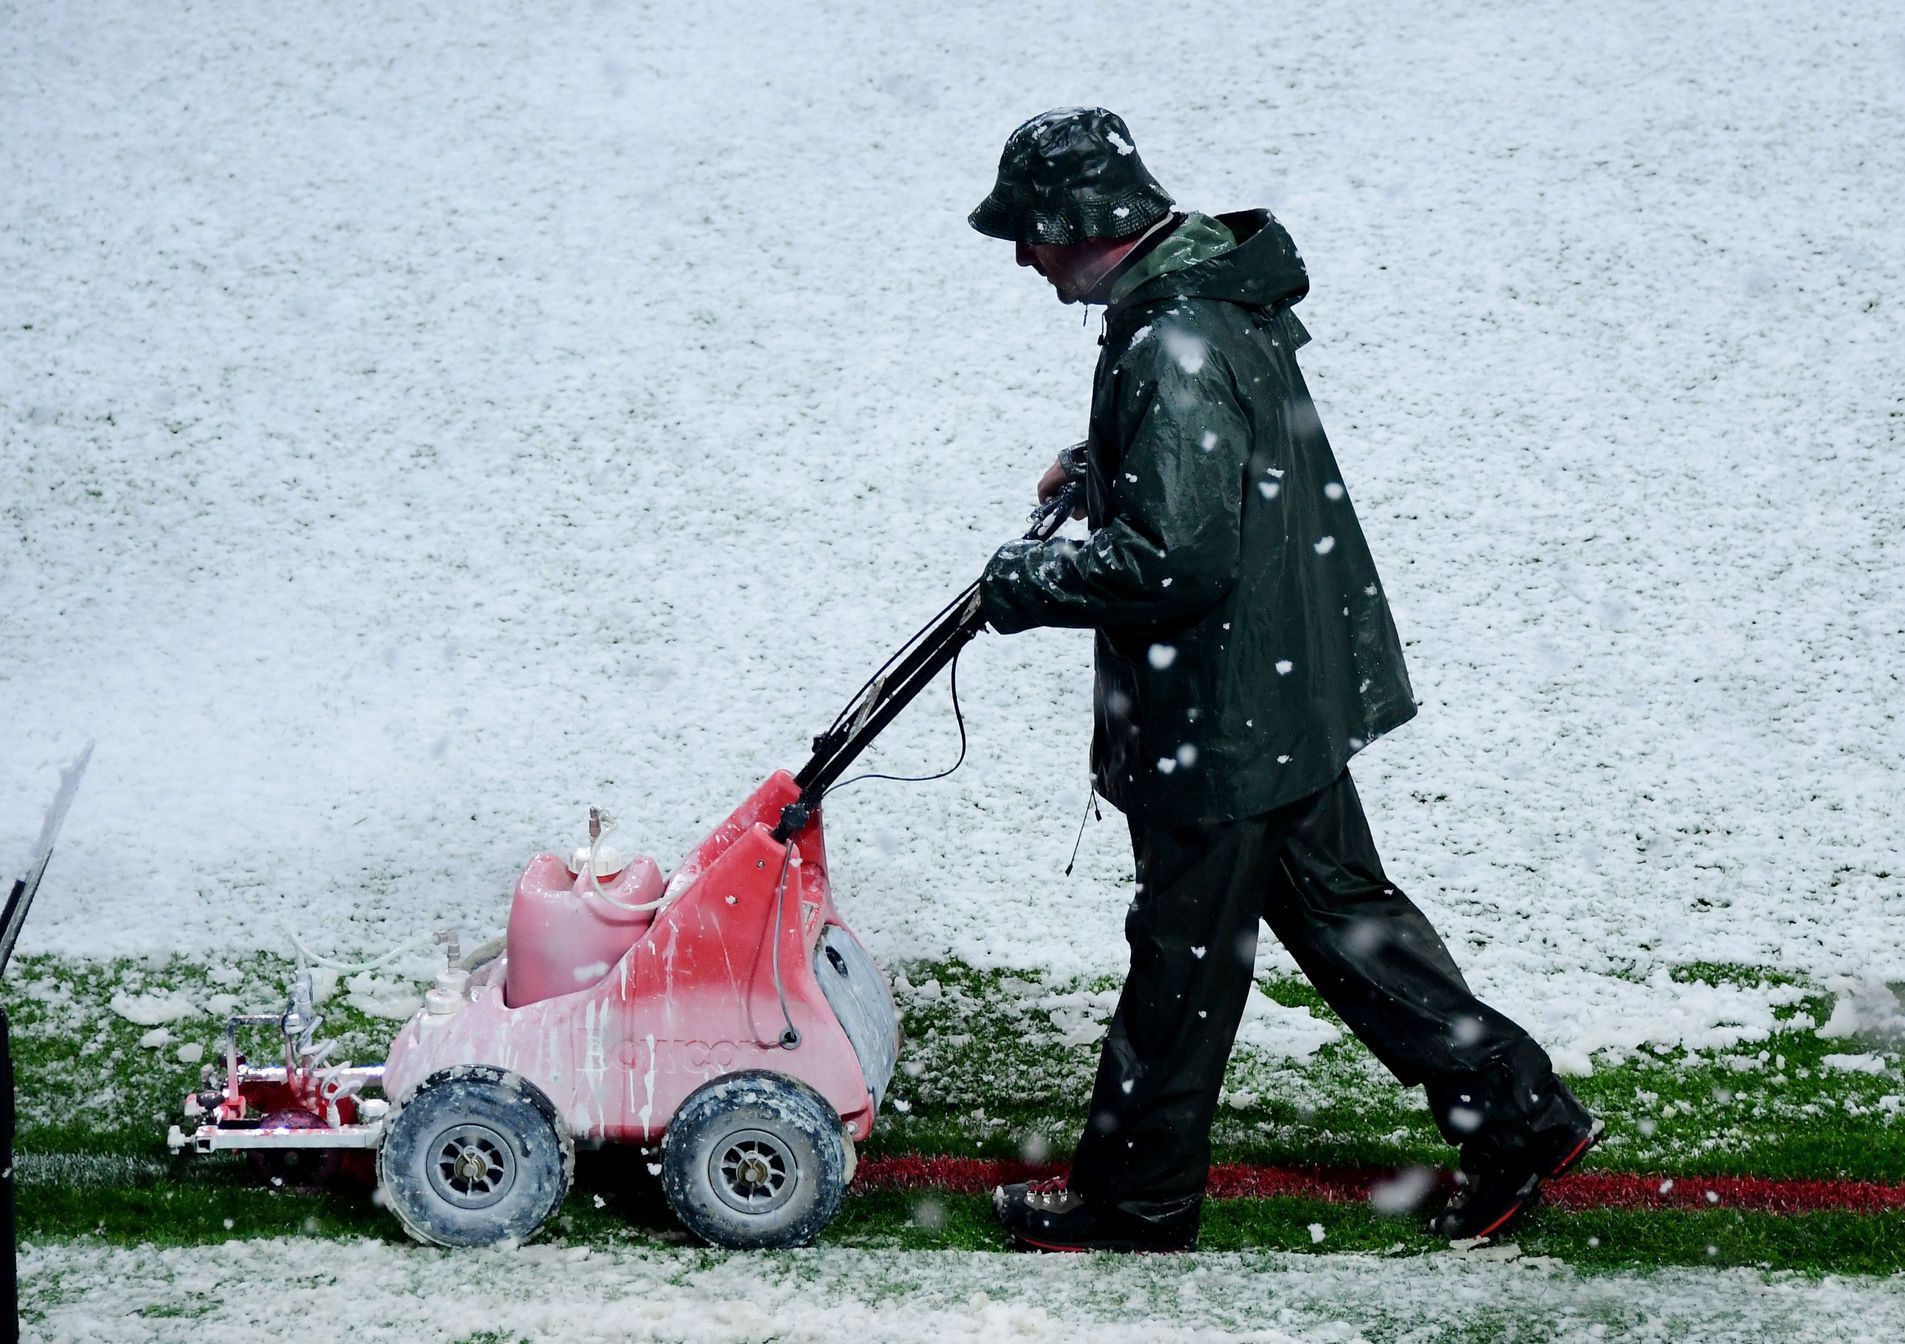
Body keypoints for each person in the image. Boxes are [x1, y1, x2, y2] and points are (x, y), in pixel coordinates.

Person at [971, 107, 1600, 1253]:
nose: (1023, 257)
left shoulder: (1172, 341)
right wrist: (1104, 465)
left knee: (1182, 967)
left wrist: (1027, 581)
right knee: (1347, 920)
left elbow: (1178, 557)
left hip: (1221, 716)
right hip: (1284, 684)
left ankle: (1136, 1201)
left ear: (1083, 220)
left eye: (1032, 233)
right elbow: (1219, 467)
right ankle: (1519, 1114)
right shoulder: (1205, 299)